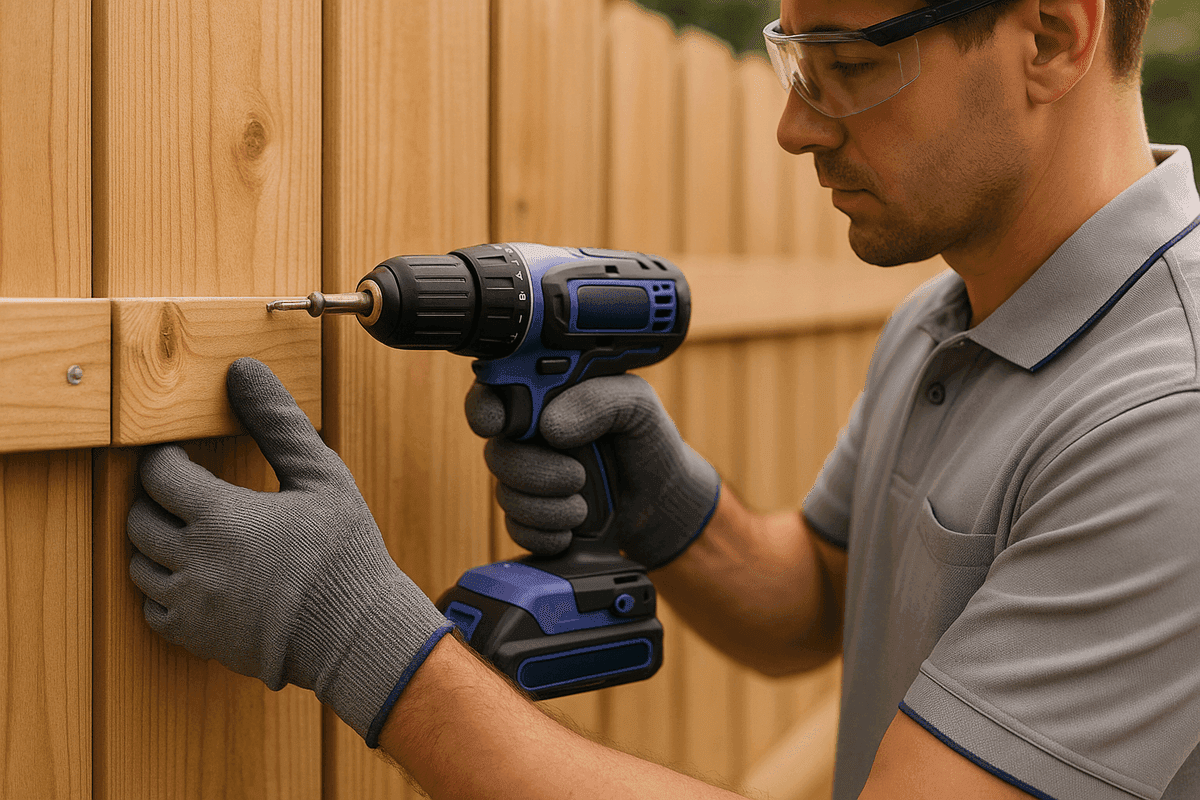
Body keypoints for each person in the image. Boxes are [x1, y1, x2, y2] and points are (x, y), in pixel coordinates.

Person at [126, 0, 1200, 796]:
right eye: (793, 58)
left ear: (1055, 37)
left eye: (850, 63)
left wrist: (352, 629)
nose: (794, 126)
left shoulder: (1167, 421)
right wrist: (675, 511)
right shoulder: (943, 315)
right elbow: (817, 605)